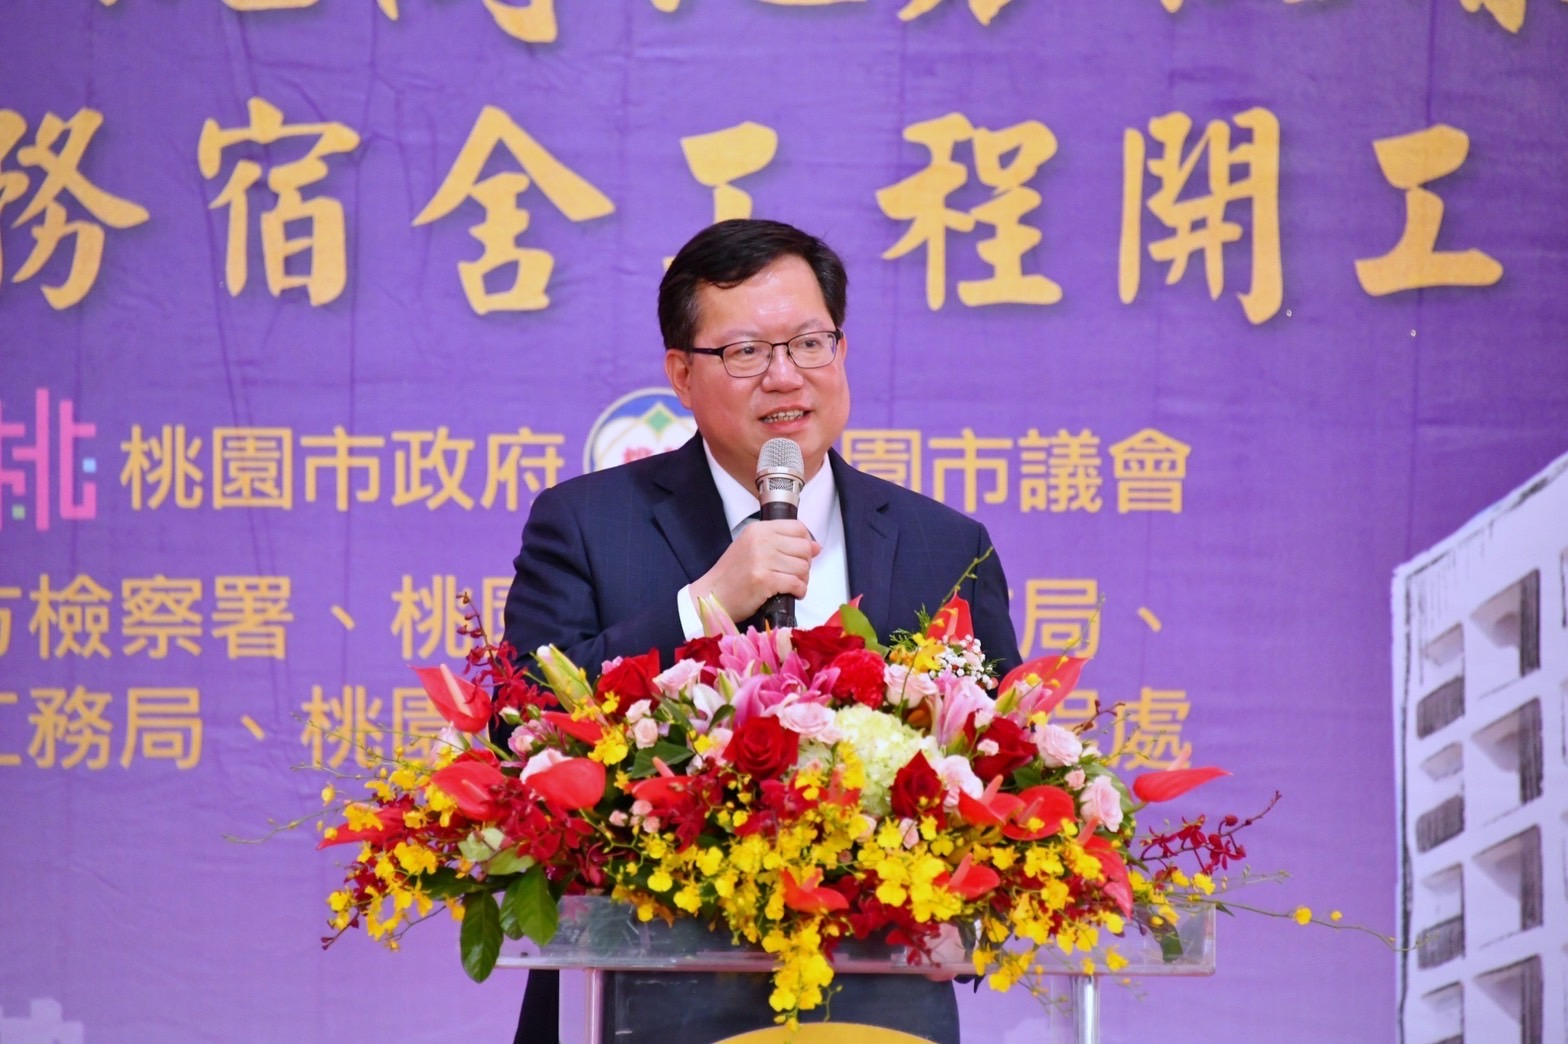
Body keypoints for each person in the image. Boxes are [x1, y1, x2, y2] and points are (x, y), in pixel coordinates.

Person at [503, 218, 1022, 1044]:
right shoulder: (587, 523)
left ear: (842, 350)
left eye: (810, 343)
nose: (786, 376)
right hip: (643, 995)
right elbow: (524, 721)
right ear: (682, 373)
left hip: (878, 1005)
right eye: (746, 352)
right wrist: (704, 602)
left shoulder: (945, 546)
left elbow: (1002, 761)